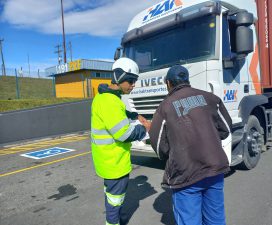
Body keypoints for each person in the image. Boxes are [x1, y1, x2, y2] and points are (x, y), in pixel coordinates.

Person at [149, 65, 232, 225]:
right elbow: (226, 129)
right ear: (187, 80)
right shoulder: (210, 98)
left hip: (185, 173)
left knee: (189, 220)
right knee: (215, 218)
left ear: (168, 83)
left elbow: (159, 145)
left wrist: (172, 153)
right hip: (214, 168)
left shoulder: (164, 107)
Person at [90, 57, 151, 225]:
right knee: (115, 199)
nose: (133, 85)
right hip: (114, 163)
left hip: (107, 161)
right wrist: (146, 129)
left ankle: (117, 217)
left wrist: (135, 115)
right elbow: (124, 134)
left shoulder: (107, 98)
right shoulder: (110, 102)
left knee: (112, 195)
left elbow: (122, 114)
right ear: (118, 77)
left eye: (134, 81)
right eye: (131, 81)